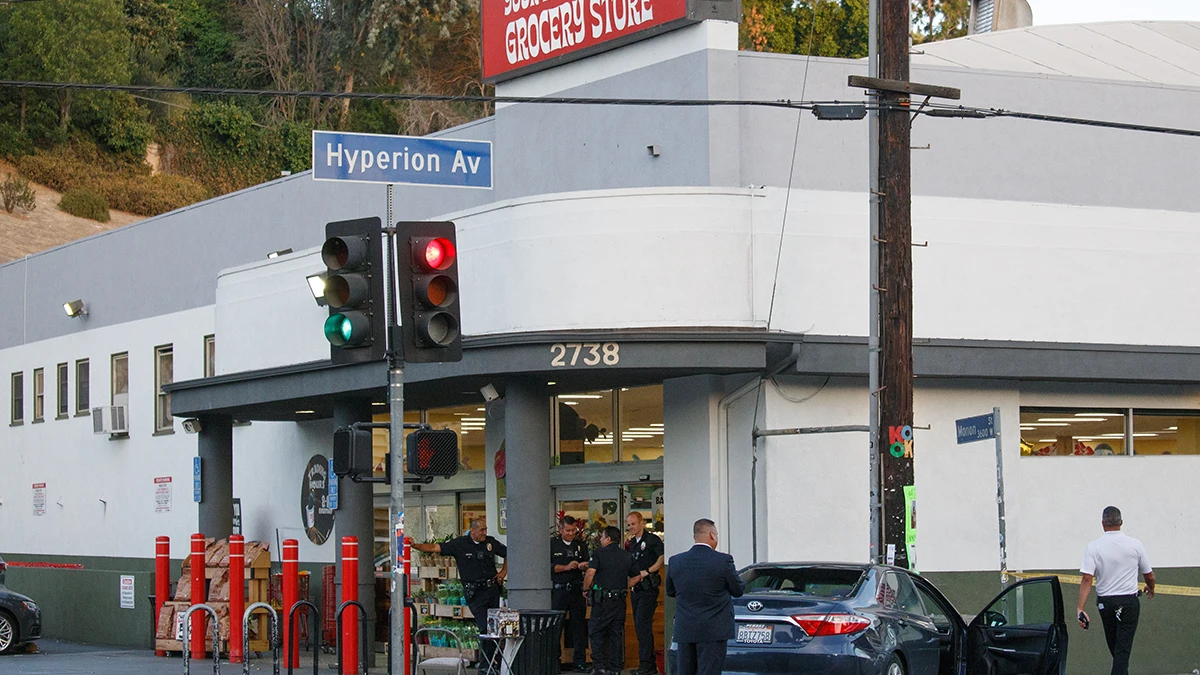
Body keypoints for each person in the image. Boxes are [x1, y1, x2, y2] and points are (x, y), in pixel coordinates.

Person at [413, 519, 508, 668]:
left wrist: (503, 572)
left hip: (491, 590)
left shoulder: (490, 542)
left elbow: (508, 554)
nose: (484, 533)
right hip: (475, 593)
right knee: (484, 627)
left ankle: (493, 661)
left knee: (493, 628)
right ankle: (485, 666)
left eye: (485, 529)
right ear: (473, 531)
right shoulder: (460, 544)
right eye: (481, 530)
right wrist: (415, 545)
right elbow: (435, 547)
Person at [1077, 506, 1155, 675]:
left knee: (1118, 652)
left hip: (1106, 604)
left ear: (1103, 524)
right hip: (1129, 603)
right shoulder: (1135, 545)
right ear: (1121, 522)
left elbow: (1087, 579)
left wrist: (1080, 608)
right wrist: (1151, 587)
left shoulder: (1093, 547)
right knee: (1121, 653)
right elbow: (1149, 575)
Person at [665, 519, 744, 675]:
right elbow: (738, 590)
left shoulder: (675, 561)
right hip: (713, 630)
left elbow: (670, 591)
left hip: (685, 628)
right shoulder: (723, 561)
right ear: (712, 535)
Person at [583, 525, 639, 675]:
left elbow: (590, 573)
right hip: (619, 600)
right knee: (616, 634)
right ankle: (615, 668)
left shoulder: (599, 553)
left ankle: (599, 666)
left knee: (596, 631)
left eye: (602, 537)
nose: (600, 539)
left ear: (607, 539)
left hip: (602, 601)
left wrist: (585, 589)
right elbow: (636, 576)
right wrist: (622, 586)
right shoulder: (626, 555)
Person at [625, 512, 665, 675]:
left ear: (641, 522)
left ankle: (647, 666)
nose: (631, 527)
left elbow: (662, 558)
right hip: (636, 589)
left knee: (643, 625)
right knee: (639, 626)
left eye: (633, 523)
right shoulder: (632, 543)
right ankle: (646, 664)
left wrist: (647, 572)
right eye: (629, 524)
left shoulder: (652, 540)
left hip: (648, 588)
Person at [552, 516, 591, 672]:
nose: (570, 533)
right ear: (560, 529)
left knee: (579, 627)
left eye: (573, 530)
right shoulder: (553, 545)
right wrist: (566, 567)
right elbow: (549, 567)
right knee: (556, 627)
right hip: (559, 590)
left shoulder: (580, 545)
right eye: (567, 530)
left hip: (576, 590)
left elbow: (590, 564)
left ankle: (579, 662)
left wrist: (582, 565)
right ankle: (555, 661)